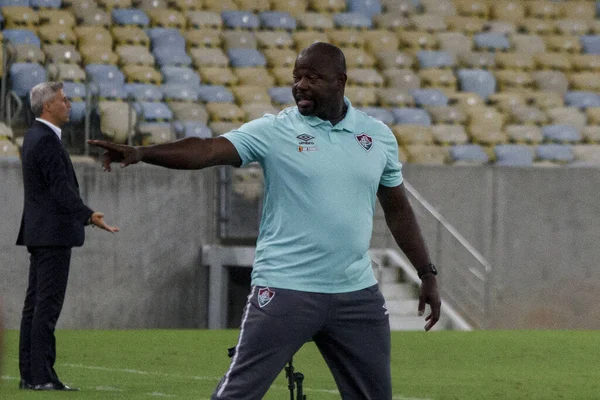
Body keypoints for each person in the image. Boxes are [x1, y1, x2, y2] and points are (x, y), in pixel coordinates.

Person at [90, 42, 441, 399]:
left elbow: (398, 209)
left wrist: (426, 273)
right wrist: (143, 153)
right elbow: (208, 149)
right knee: (239, 393)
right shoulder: (275, 130)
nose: (300, 84)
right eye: (297, 76)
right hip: (287, 287)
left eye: (312, 77)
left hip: (356, 294)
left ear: (340, 81)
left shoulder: (377, 135)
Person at [16, 81, 119, 391]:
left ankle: (30, 375)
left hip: (41, 232)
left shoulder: (35, 136)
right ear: (48, 106)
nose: (69, 103)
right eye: (63, 99)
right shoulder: (45, 140)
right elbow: (59, 188)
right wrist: (88, 214)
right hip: (52, 234)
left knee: (34, 306)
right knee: (45, 307)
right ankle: (42, 377)